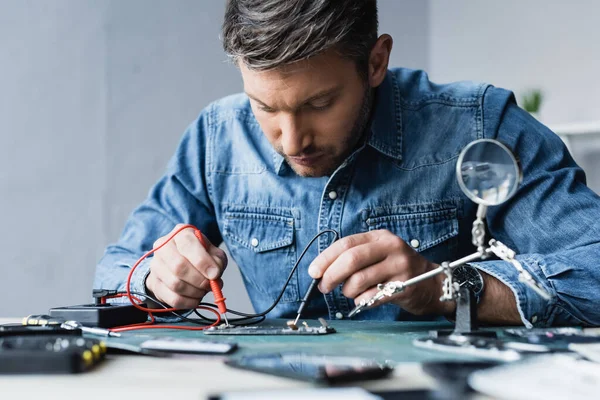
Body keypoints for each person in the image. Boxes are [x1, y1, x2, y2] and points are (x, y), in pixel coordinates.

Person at [94, 0, 600, 328]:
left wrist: (445, 287)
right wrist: (155, 277)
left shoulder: (482, 127)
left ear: (376, 62)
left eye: (318, 104)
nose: (291, 141)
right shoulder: (216, 137)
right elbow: (115, 270)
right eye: (266, 108)